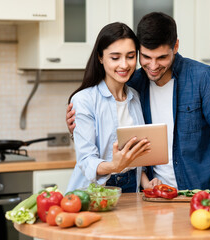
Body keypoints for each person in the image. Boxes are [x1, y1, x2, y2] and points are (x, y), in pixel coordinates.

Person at [66, 12, 210, 192]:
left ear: (176, 47)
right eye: (146, 57)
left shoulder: (202, 78)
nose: (154, 66)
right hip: (157, 197)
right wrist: (79, 127)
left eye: (162, 57)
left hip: (201, 191)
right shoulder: (135, 84)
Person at [66, 22, 161, 193]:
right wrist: (114, 165)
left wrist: (146, 183)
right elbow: (86, 160)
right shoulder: (83, 100)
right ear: (100, 57)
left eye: (130, 56)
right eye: (115, 58)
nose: (124, 65)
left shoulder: (135, 97)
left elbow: (134, 154)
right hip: (95, 190)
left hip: (133, 187)